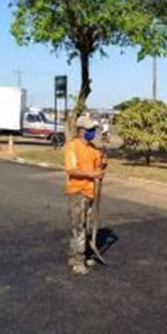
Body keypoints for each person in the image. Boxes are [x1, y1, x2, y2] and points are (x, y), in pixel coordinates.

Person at [64, 116, 105, 275]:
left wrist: (102, 166)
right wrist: (93, 174)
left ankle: (79, 255)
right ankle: (77, 261)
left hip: (90, 192)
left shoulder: (93, 149)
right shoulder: (72, 147)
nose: (92, 132)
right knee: (78, 228)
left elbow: (98, 168)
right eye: (89, 130)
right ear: (81, 131)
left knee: (85, 226)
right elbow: (71, 170)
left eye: (93, 130)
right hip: (77, 191)